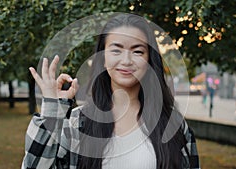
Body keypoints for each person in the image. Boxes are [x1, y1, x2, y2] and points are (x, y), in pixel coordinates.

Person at [22, 13, 200, 169]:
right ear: (103, 58)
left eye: (137, 51)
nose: (126, 60)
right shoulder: (77, 124)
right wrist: (53, 110)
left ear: (149, 60)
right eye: (116, 50)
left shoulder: (173, 124)